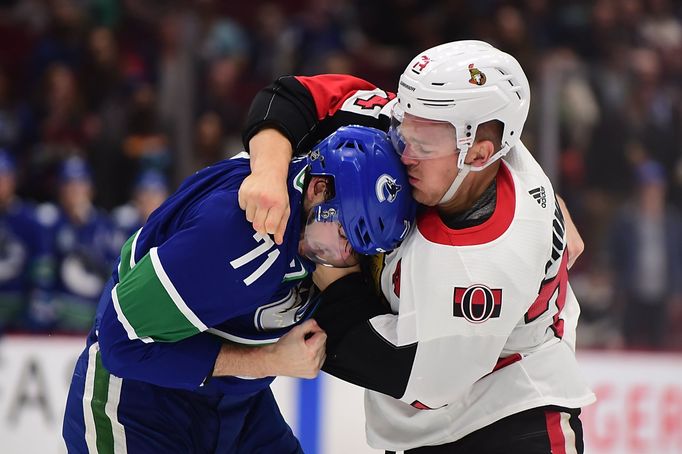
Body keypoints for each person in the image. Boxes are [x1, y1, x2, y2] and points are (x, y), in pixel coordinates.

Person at [239, 40, 595, 453]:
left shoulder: (490, 258)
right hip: (423, 429)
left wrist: (330, 268)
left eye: (423, 145)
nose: (403, 152)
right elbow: (292, 97)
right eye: (401, 127)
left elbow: (414, 379)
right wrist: (266, 173)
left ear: (480, 153)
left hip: (511, 419)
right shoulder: (441, 133)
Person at [62, 125, 416, 453]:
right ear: (318, 188)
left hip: (236, 402)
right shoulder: (236, 236)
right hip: (141, 406)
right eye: (344, 234)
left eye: (360, 249)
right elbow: (119, 342)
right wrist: (269, 361)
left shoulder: (315, 218)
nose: (345, 257)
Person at [31, 156, 119, 333]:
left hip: (95, 318)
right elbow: (42, 274)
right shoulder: (51, 221)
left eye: (80, 184)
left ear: (91, 189)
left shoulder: (104, 225)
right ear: (61, 189)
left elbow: (113, 273)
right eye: (69, 184)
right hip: (60, 318)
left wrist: (85, 227)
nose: (75, 191)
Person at [0, 149, 52, 334]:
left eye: (3, 177)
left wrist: (34, 310)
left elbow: (42, 272)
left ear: (12, 180)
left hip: (18, 314)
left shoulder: (28, 220)